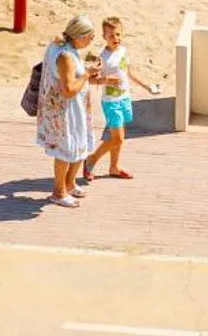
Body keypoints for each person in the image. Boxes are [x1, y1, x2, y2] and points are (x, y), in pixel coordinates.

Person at [36, 15, 101, 207]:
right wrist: (88, 73)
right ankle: (59, 191)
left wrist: (95, 78)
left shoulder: (60, 46)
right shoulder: (66, 56)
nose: (92, 40)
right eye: (90, 36)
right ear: (79, 36)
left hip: (67, 108)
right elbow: (69, 89)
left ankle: (70, 183)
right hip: (65, 111)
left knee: (79, 144)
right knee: (65, 150)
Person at [84, 16, 159, 182]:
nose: (115, 38)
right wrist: (106, 80)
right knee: (118, 138)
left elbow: (129, 73)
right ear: (104, 37)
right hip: (111, 102)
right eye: (111, 36)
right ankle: (91, 160)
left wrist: (147, 87)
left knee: (118, 136)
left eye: (118, 34)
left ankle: (114, 167)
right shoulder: (102, 57)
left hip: (124, 99)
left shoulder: (123, 51)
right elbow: (90, 79)